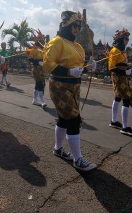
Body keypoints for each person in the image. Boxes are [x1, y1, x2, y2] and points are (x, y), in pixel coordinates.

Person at [43, 10, 97, 172]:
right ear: (66, 25)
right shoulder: (56, 42)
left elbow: (78, 68)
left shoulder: (78, 46)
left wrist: (88, 68)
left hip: (75, 86)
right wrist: (67, 71)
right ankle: (78, 159)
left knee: (64, 119)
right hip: (60, 85)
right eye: (74, 25)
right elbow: (47, 65)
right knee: (73, 120)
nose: (77, 28)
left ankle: (58, 148)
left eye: (79, 26)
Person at [108, 28, 132, 137]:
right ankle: (125, 127)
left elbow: (124, 65)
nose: (127, 40)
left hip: (123, 76)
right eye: (126, 38)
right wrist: (125, 70)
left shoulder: (123, 51)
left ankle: (114, 121)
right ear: (121, 39)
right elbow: (112, 68)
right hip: (117, 77)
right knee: (126, 98)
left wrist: (130, 69)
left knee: (118, 97)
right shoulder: (114, 51)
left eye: (128, 38)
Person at [27, 31, 47, 107]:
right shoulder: (34, 49)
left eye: (43, 39)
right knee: (41, 83)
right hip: (36, 69)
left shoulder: (44, 49)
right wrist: (38, 62)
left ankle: (35, 99)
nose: (42, 41)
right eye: (41, 39)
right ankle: (42, 101)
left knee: (38, 84)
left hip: (42, 69)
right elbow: (29, 59)